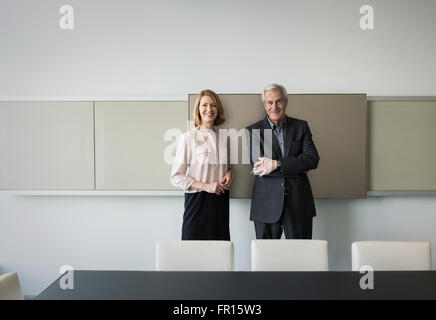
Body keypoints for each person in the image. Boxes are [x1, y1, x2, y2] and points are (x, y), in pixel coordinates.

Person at [246, 84, 319, 239]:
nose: (274, 106)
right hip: (266, 205)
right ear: (265, 105)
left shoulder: (301, 127)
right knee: (265, 259)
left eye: (279, 101)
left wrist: (275, 164)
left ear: (286, 102)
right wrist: (297, 166)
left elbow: (312, 159)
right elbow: (259, 168)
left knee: (301, 256)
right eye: (270, 102)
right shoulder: (254, 131)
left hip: (298, 203)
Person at [171, 89, 233, 240]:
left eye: (213, 105)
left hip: (220, 202)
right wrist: (206, 186)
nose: (209, 109)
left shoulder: (223, 138)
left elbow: (225, 167)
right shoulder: (188, 138)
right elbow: (176, 177)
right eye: (204, 105)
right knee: (193, 255)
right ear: (198, 109)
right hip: (197, 203)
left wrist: (230, 173)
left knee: (220, 255)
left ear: (218, 109)